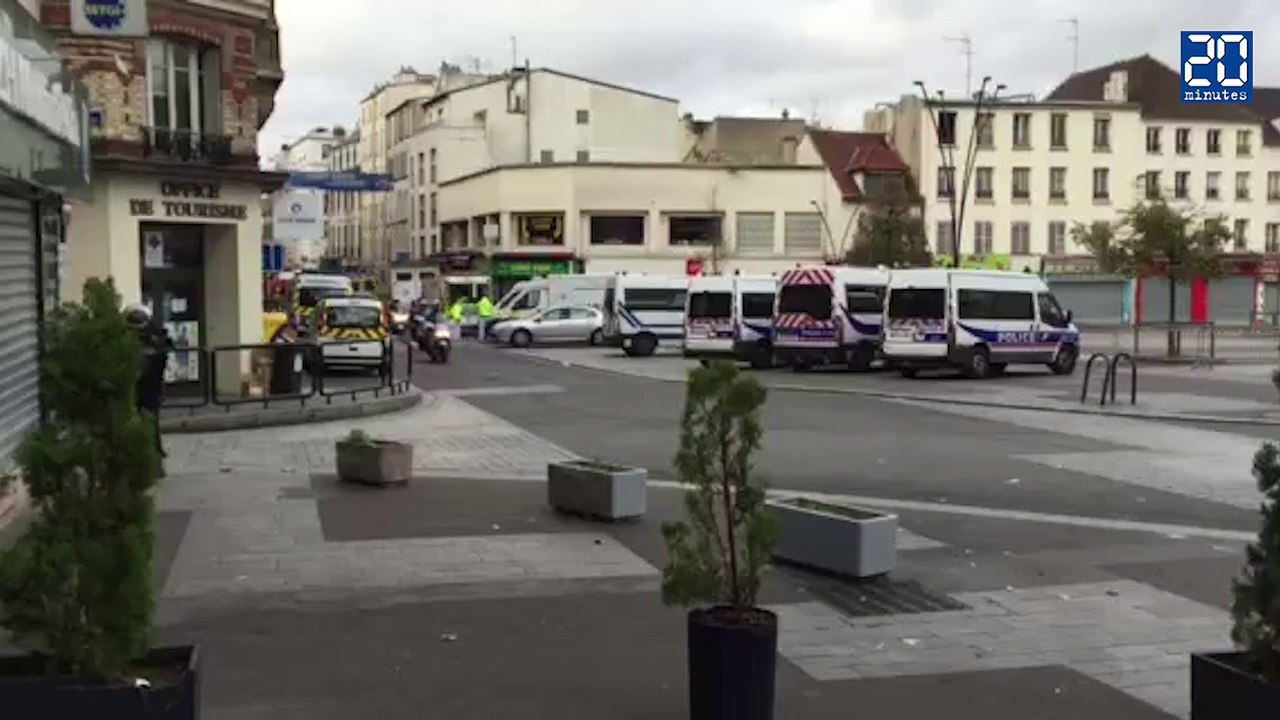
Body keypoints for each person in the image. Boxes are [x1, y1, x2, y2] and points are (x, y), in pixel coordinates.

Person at [125, 304, 173, 460]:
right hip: (142, 385)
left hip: (150, 384)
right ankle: (149, 449)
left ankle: (153, 449)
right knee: (147, 416)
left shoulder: (155, 337)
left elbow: (164, 352)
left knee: (150, 417)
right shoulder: (129, 337)